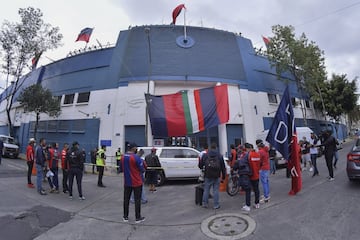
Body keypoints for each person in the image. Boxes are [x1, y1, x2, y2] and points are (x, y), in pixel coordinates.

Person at [122, 142, 146, 223]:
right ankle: (137, 217)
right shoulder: (136, 158)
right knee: (137, 200)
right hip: (136, 182)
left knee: (126, 199)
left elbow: (121, 168)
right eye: (136, 148)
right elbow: (142, 169)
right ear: (133, 148)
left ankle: (125, 217)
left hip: (127, 182)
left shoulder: (123, 157)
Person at [198, 142, 226, 209]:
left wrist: (203, 168)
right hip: (217, 175)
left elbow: (200, 165)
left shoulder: (205, 155)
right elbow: (223, 167)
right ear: (216, 148)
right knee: (216, 190)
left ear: (210, 148)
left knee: (206, 189)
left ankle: (205, 204)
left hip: (208, 175)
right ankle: (216, 205)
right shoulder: (220, 156)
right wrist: (223, 176)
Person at [234, 143, 259, 212]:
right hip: (256, 174)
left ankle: (248, 205)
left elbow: (241, 163)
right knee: (256, 189)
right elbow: (260, 164)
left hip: (249, 175)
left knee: (248, 190)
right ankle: (257, 203)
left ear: (248, 148)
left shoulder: (248, 155)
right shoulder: (257, 154)